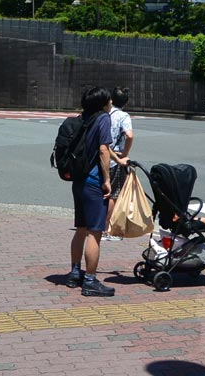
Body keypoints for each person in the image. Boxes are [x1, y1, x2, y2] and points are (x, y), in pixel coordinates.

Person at [66, 86, 116, 297]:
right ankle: (90, 281)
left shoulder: (82, 118)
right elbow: (103, 149)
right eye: (109, 100)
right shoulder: (103, 118)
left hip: (78, 180)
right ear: (103, 104)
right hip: (94, 181)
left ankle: (74, 273)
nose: (111, 103)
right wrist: (106, 180)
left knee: (81, 228)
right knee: (95, 232)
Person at [103, 86, 134, 242]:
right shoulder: (123, 116)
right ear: (126, 102)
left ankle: (96, 225)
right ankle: (107, 229)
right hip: (116, 158)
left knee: (102, 191)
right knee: (113, 195)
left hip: (101, 157)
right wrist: (125, 155)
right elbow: (129, 135)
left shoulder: (104, 113)